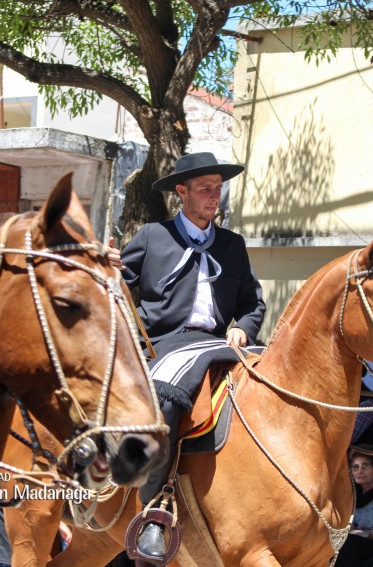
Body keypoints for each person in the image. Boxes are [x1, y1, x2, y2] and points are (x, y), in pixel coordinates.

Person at [108, 152, 266, 559]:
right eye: (205, 189)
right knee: (164, 399)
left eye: (218, 188)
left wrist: (242, 328)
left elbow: (253, 303)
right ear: (182, 192)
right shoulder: (150, 235)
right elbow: (115, 289)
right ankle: (154, 512)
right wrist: (106, 267)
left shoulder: (232, 245)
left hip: (218, 345)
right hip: (162, 345)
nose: (215, 196)